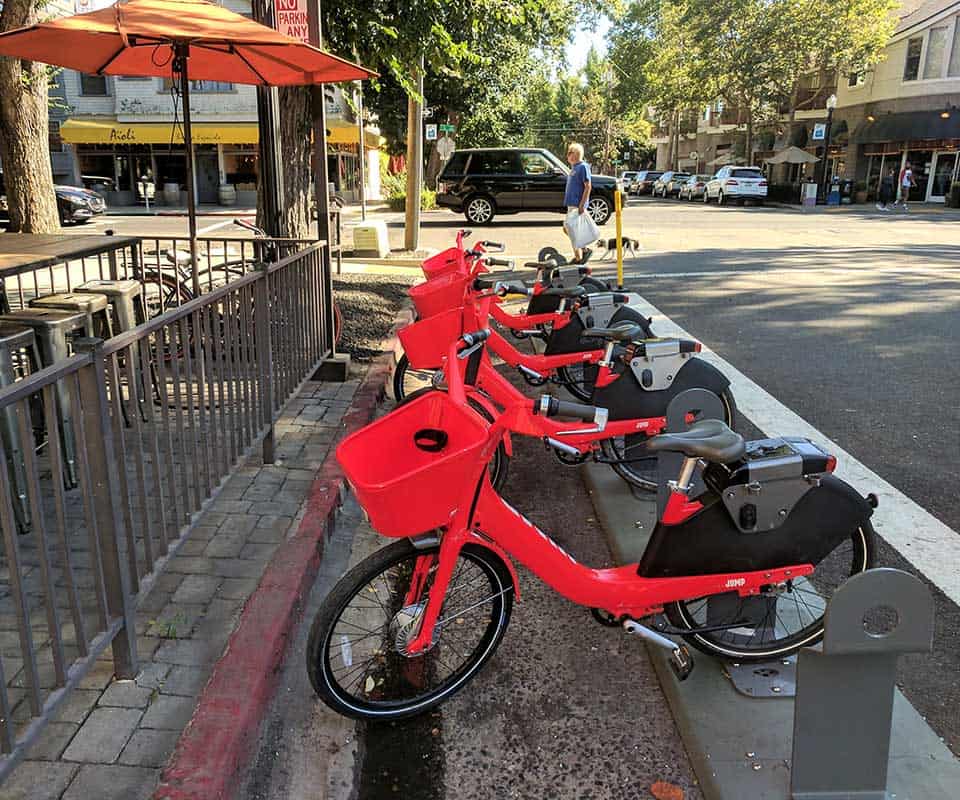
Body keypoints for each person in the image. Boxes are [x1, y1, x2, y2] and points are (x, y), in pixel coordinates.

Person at [563, 142, 593, 264]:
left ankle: (579, 257)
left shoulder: (582, 167)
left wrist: (582, 204)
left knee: (570, 230)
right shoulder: (574, 168)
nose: (568, 155)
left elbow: (588, 186)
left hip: (576, 205)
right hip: (571, 205)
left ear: (576, 154)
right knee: (568, 229)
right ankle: (584, 250)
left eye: (570, 152)